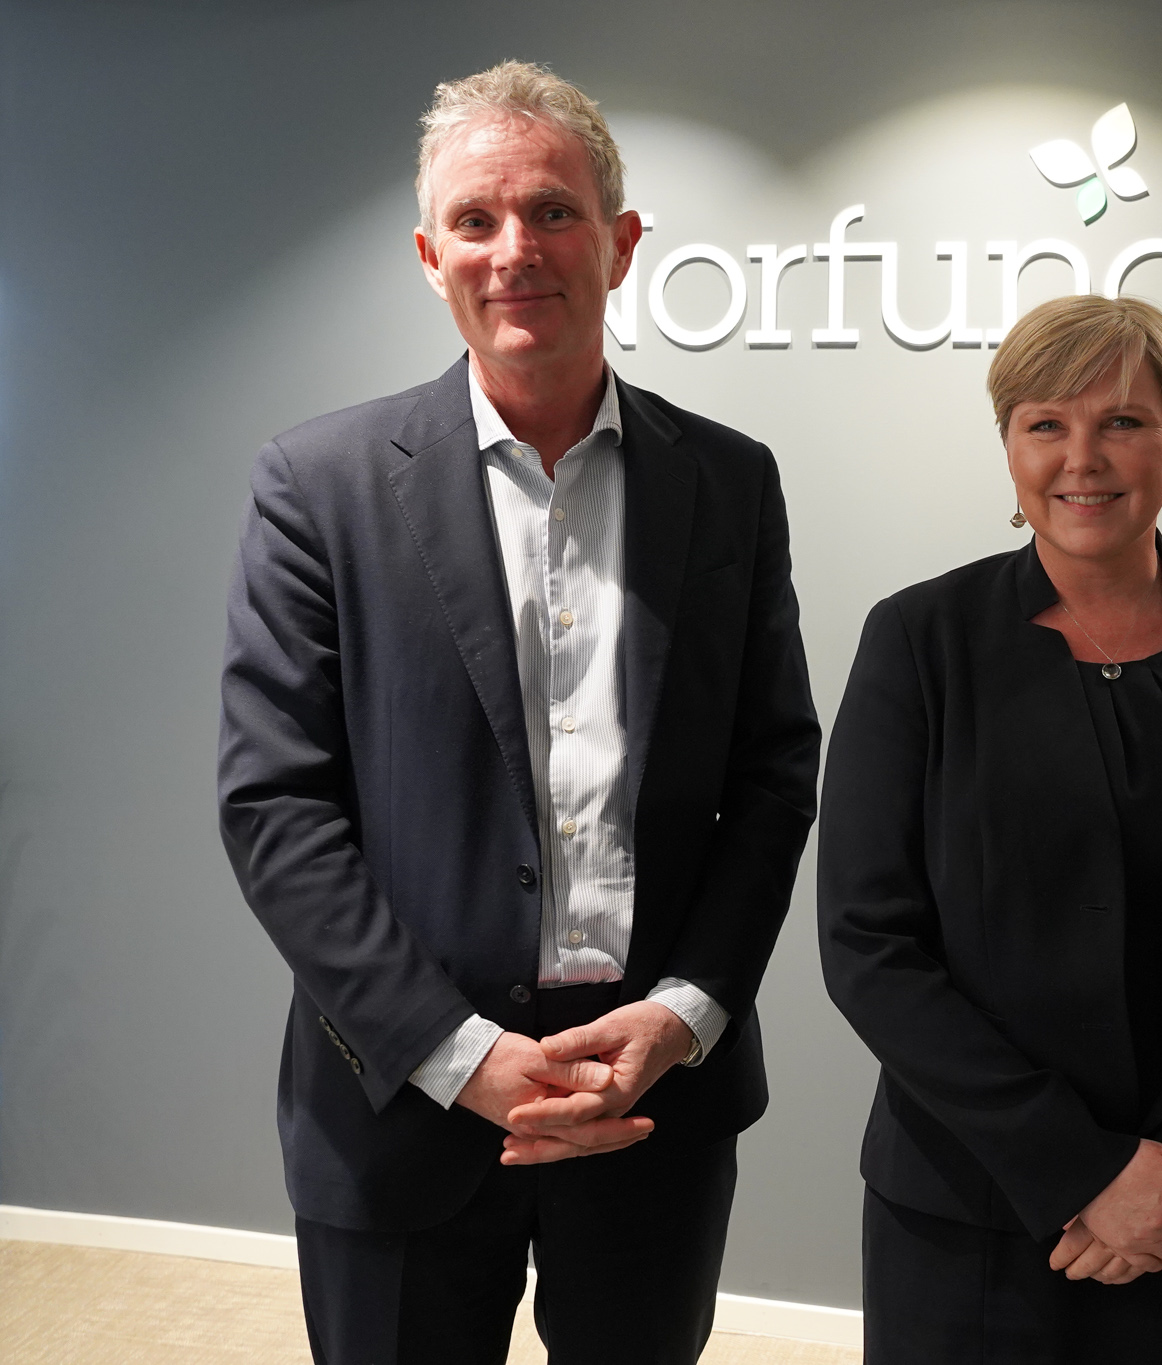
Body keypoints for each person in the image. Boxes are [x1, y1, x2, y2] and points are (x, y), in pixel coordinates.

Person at [217, 61, 819, 1363]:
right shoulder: (317, 487)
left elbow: (775, 772)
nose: (516, 250)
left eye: (552, 211)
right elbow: (276, 806)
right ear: (431, 256)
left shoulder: (727, 484)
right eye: (478, 221)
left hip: (652, 1102)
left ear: (621, 241)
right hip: (397, 1107)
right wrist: (456, 1050)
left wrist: (687, 1012)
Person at [817, 294, 1162, 1364]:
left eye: (1122, 421)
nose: (1083, 457)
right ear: (1008, 445)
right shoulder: (919, 640)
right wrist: (1080, 1170)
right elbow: (867, 943)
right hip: (972, 1211)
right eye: (1044, 424)